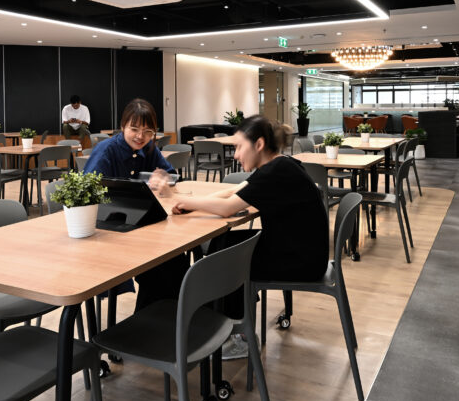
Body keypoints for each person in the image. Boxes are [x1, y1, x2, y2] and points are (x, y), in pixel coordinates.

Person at [172, 114, 329, 357]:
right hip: (302, 251)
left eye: (239, 147)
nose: (235, 155)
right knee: (226, 244)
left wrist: (188, 203)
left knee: (229, 257)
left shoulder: (274, 172)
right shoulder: (279, 164)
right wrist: (190, 203)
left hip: (302, 262)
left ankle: (238, 334)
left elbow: (228, 208)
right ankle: (226, 321)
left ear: (259, 145)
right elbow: (234, 191)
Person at [81, 98, 179, 310]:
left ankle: (159, 315)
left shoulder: (149, 148)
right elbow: (85, 191)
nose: (140, 137)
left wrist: (163, 177)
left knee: (172, 257)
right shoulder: (106, 150)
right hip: (106, 231)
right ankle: (153, 316)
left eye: (148, 132)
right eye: (134, 129)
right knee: (162, 260)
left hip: (138, 226)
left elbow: (171, 174)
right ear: (123, 126)